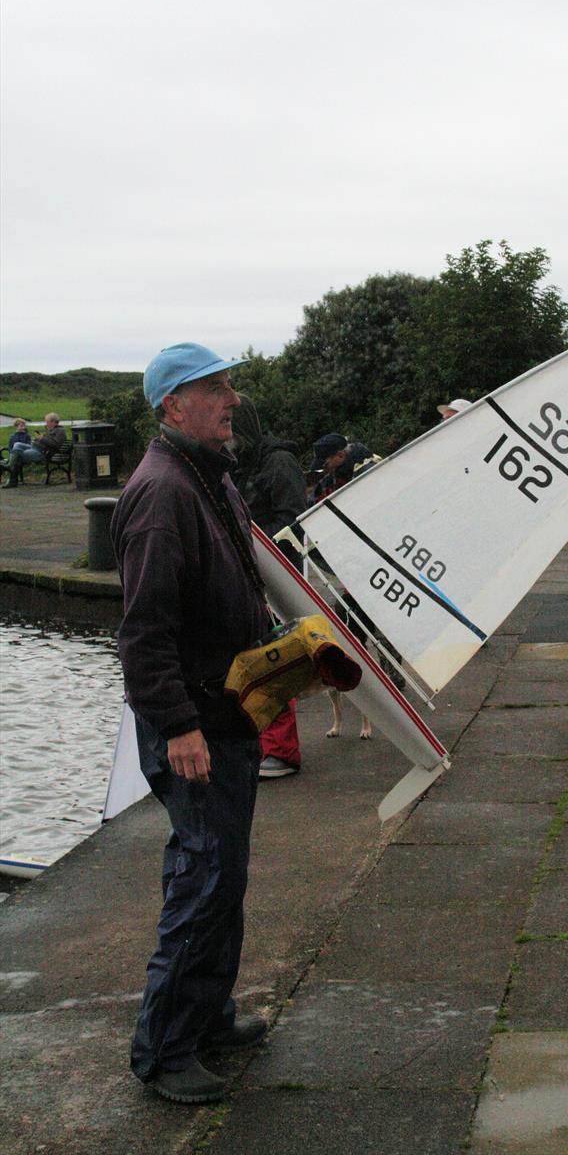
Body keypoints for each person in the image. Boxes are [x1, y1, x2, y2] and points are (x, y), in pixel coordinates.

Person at [110, 343, 271, 1104]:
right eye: (214, 388)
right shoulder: (163, 493)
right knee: (202, 881)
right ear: (173, 405)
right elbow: (144, 633)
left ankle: (207, 1017)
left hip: (224, 711)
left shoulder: (205, 475)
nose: (232, 397)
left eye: (229, 384)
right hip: (194, 723)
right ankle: (164, 1051)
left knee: (224, 877)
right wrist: (177, 726)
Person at [230, 394, 307, 778]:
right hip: (252, 571)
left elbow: (295, 520)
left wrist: (251, 544)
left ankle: (282, 750)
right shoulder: (242, 463)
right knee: (256, 658)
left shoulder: (278, 463)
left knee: (273, 659)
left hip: (277, 575)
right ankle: (266, 746)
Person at [310, 432, 380, 503]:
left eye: (326, 464)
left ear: (340, 455)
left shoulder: (367, 471)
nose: (325, 470)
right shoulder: (339, 473)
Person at [2, 412, 67, 487]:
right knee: (17, 444)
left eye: (47, 422)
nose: (46, 424)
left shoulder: (60, 431)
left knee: (17, 454)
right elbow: (47, 440)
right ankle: (10, 467)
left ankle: (11, 475)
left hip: (41, 452)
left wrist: (42, 438)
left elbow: (56, 444)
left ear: (53, 422)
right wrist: (37, 439)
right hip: (34, 447)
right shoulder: (51, 430)